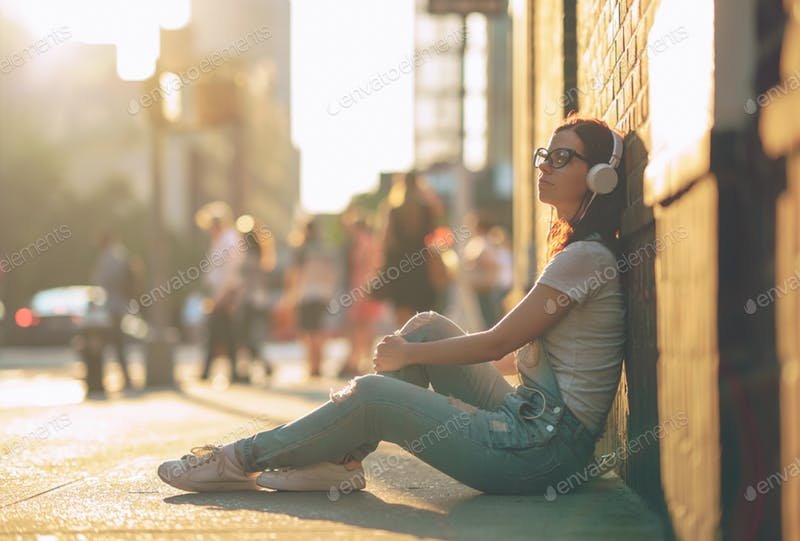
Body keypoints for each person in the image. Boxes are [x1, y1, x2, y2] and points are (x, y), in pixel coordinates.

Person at [157, 117, 627, 496]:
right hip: (531, 419)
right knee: (423, 326)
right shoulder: (578, 253)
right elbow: (511, 355)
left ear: (599, 175)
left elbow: (498, 341)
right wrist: (418, 350)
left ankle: (237, 459)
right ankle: (342, 462)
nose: (544, 166)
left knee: (373, 395)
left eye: (562, 157)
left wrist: (410, 359)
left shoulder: (585, 258)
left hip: (543, 451)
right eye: (544, 155)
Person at [379, 172, 440, 327]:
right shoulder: (426, 210)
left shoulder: (393, 210)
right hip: (422, 266)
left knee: (402, 320)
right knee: (423, 317)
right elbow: (435, 232)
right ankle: (422, 348)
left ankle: (404, 348)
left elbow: (385, 241)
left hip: (399, 266)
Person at [282, 218, 338, 378]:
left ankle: (312, 365)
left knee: (307, 331)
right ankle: (318, 364)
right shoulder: (324, 249)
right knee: (319, 331)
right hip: (324, 294)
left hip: (306, 294)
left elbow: (294, 274)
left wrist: (290, 296)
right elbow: (332, 273)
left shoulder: (301, 250)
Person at [197, 202, 246, 383]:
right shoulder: (221, 240)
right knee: (222, 333)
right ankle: (230, 371)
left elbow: (230, 271)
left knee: (221, 333)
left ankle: (219, 371)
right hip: (221, 292)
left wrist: (220, 297)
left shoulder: (228, 240)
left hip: (226, 293)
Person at [91, 234, 137, 390]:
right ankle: (126, 379)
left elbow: (100, 280)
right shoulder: (122, 255)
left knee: (111, 345)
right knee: (119, 345)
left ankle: (103, 381)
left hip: (112, 309)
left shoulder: (110, 258)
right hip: (120, 306)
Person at [339, 212, 382, 378]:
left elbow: (364, 267)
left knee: (359, 326)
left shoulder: (363, 242)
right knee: (365, 326)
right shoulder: (371, 241)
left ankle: (358, 361)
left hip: (362, 289)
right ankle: (363, 360)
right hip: (368, 288)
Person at [238, 217, 276, 380]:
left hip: (250, 301)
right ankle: (257, 368)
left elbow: (246, 282)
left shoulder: (250, 257)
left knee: (247, 338)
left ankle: (251, 370)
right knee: (252, 337)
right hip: (259, 301)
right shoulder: (261, 256)